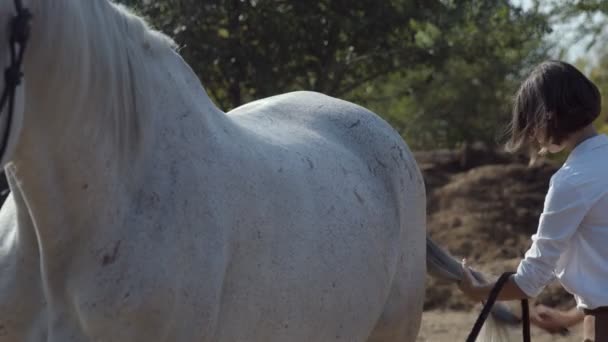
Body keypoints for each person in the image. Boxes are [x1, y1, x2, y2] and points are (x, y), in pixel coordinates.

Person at [457, 60, 608, 342]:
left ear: (547, 117)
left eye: (531, 125)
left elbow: (530, 281)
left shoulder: (572, 181)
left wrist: (476, 292)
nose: (532, 136)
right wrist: (569, 318)